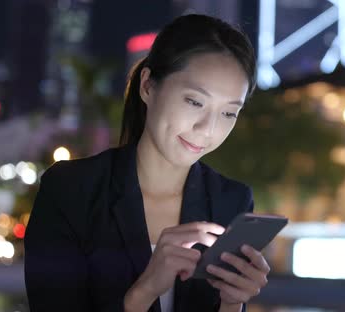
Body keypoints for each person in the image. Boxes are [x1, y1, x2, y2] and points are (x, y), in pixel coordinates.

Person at [24, 14, 270, 312]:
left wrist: (232, 303)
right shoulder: (71, 191)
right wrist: (144, 290)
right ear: (148, 86)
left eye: (229, 113)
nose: (207, 128)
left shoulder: (231, 201)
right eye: (194, 102)